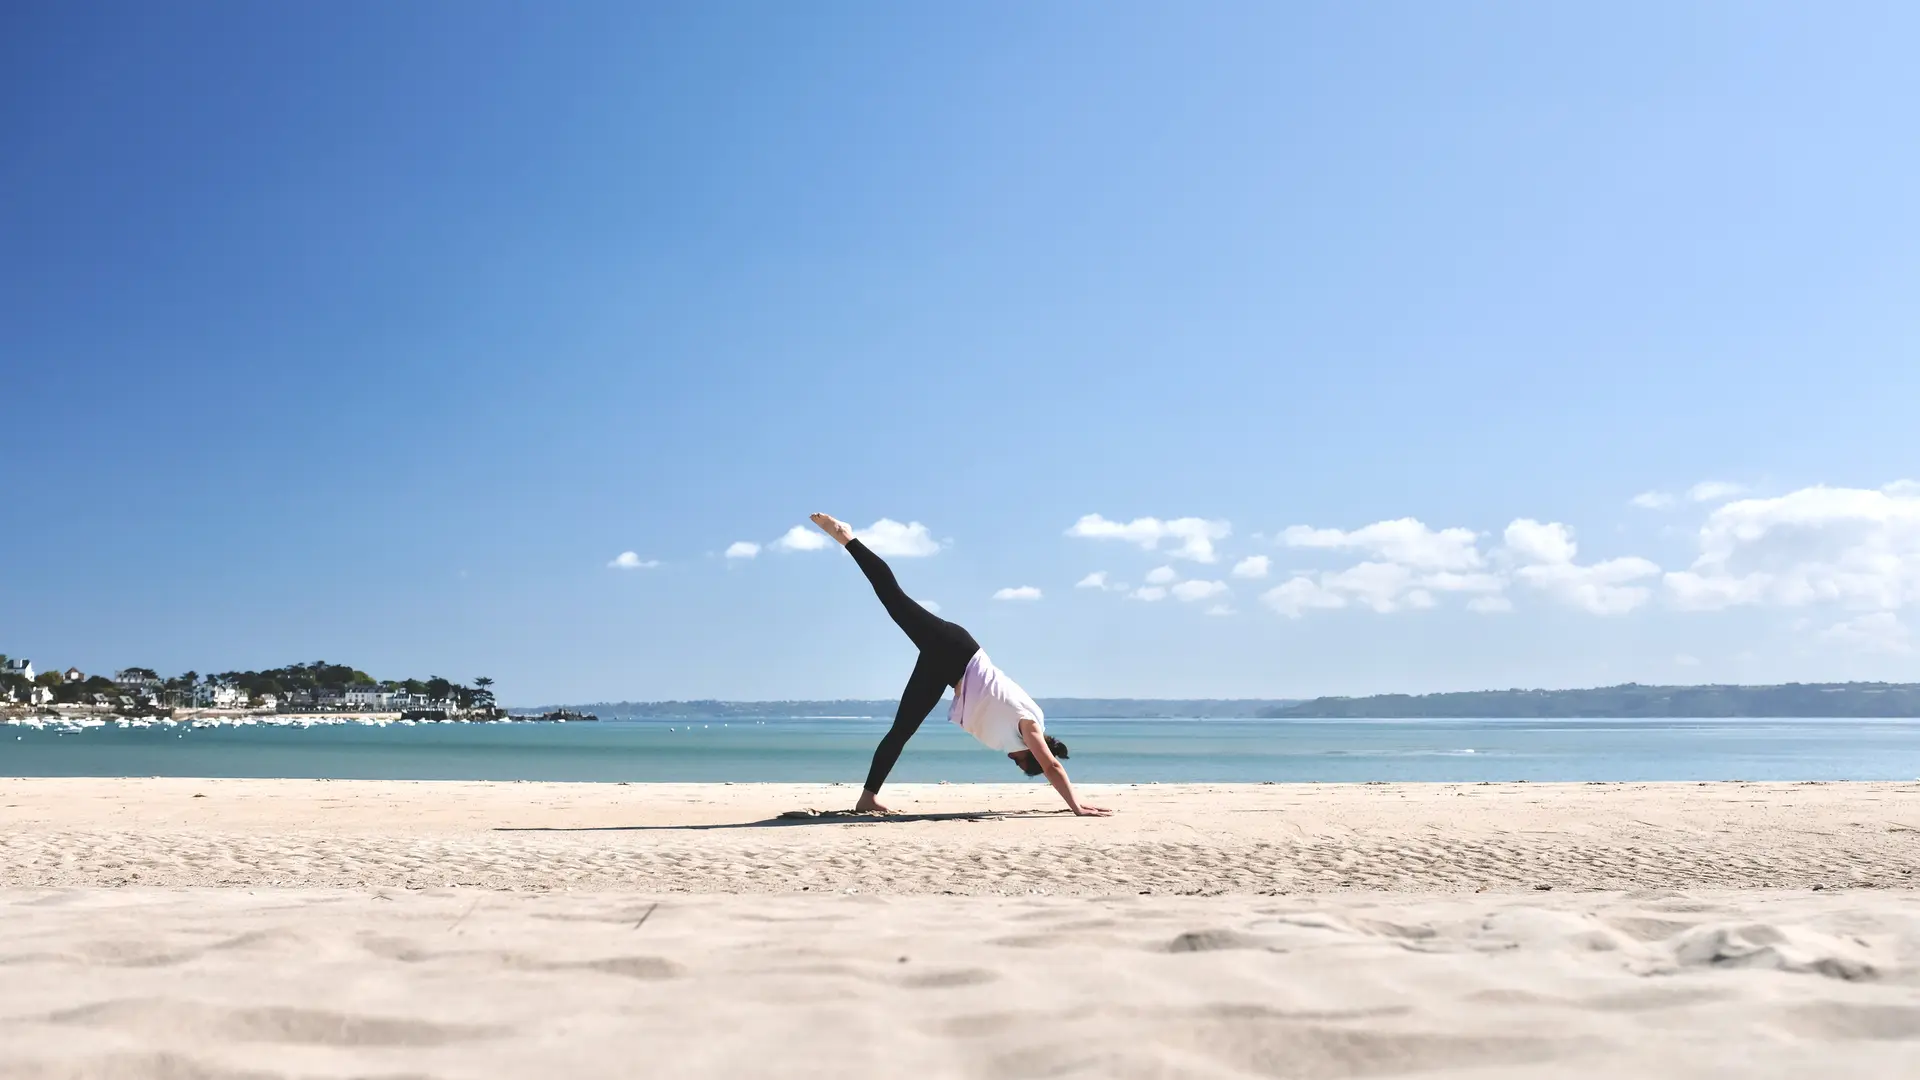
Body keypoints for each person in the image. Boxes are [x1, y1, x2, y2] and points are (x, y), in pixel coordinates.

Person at [809, 512, 1112, 817]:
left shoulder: (1020, 731)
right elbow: (1051, 765)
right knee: (895, 601)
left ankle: (867, 798)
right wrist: (1076, 806)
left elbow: (1044, 761)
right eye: (1019, 762)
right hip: (955, 650)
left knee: (901, 730)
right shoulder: (1030, 726)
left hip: (948, 669)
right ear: (1030, 755)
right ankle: (846, 536)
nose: (1012, 759)